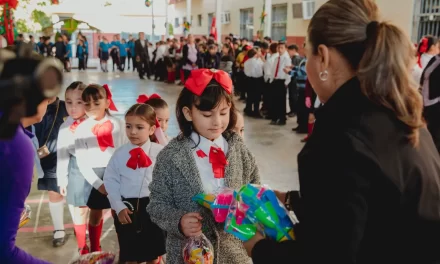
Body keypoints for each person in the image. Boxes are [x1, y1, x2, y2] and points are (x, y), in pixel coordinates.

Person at [245, 0, 440, 263]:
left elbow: (326, 254)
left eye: (307, 52)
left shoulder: (339, 136)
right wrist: (291, 199)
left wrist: (257, 247)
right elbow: (363, 204)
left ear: (323, 56)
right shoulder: (400, 113)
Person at [147, 69, 260, 264]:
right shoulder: (171, 156)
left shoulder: (237, 148)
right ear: (188, 113)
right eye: (207, 114)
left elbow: (254, 185)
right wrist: (179, 221)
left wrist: (245, 207)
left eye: (223, 113)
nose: (217, 122)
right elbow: (156, 205)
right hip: (188, 255)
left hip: (234, 254)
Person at [104, 104, 166, 264]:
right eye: (129, 126)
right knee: (130, 255)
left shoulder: (160, 152)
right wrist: (118, 206)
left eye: (139, 127)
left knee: (153, 254)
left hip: (153, 208)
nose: (132, 132)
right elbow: (110, 181)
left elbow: (168, 181)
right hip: (127, 209)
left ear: (152, 129)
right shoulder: (120, 154)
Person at [74, 84, 128, 252]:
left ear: (107, 102)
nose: (91, 108)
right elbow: (82, 161)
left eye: (96, 103)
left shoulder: (118, 124)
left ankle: (126, 247)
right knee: (95, 213)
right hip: (94, 176)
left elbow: (125, 151)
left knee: (118, 212)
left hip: (117, 174)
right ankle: (95, 248)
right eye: (87, 104)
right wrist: (98, 184)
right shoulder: (82, 129)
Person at [56, 82, 91, 255]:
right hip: (77, 171)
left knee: (95, 211)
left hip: (97, 170)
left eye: (79, 102)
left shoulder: (97, 123)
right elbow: (62, 156)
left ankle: (94, 242)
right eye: (69, 102)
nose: (73, 107)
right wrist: (62, 179)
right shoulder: (64, 128)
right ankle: (82, 247)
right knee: (79, 210)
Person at [34, 92, 69, 247]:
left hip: (70, 158)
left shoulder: (66, 106)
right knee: (54, 193)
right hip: (48, 158)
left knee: (76, 194)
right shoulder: (33, 108)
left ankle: (81, 225)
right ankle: (58, 229)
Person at [421, 54, 440, 153]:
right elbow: (424, 78)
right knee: (428, 135)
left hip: (436, 104)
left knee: (435, 137)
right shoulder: (435, 58)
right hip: (427, 102)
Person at [270, 42, 291, 126]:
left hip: (282, 81)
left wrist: (286, 82)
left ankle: (282, 119)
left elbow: (288, 71)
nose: (279, 49)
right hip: (275, 80)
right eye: (278, 48)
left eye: (282, 48)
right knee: (274, 100)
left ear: (285, 48)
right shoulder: (276, 58)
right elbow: (273, 70)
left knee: (281, 102)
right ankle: (275, 118)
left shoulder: (287, 59)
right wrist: (272, 79)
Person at [244, 48, 264, 117]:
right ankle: (256, 111)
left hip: (248, 80)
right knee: (257, 97)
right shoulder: (257, 62)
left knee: (249, 95)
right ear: (255, 54)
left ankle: (248, 109)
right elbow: (259, 72)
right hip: (256, 80)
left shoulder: (247, 62)